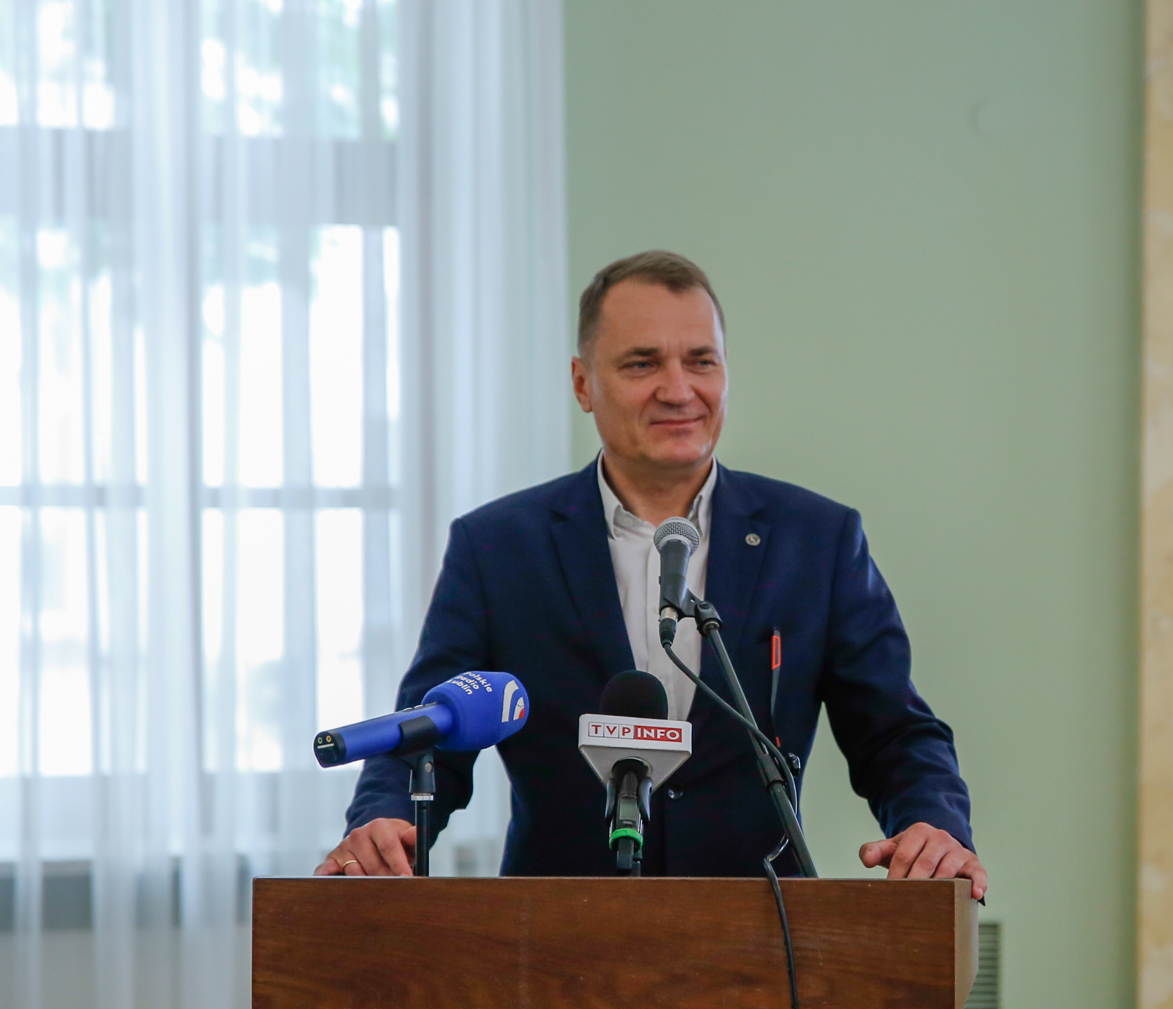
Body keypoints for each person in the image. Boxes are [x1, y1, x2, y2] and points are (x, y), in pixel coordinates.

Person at [315, 250, 985, 898]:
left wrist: (935, 825)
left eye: (701, 361)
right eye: (642, 363)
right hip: (554, 936)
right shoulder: (497, 548)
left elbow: (895, 735)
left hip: (767, 936)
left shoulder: (817, 540)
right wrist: (382, 822)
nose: (678, 390)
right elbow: (430, 731)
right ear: (583, 383)